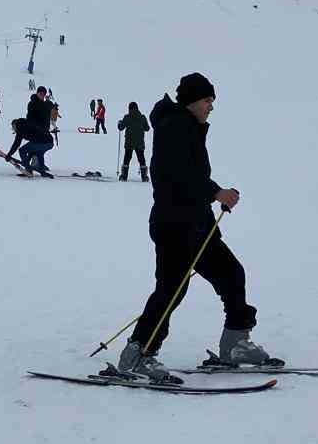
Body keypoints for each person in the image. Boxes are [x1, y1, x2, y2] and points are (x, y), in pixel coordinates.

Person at [117, 72, 278, 382]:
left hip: (197, 223)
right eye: (207, 101)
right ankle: (137, 354)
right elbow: (179, 175)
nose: (211, 107)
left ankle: (235, 343)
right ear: (192, 101)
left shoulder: (188, 127)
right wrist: (216, 192)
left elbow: (191, 175)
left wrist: (212, 195)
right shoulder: (175, 128)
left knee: (231, 273)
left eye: (212, 101)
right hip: (173, 224)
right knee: (172, 290)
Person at [8, 87, 55, 176]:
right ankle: (42, 170)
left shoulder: (21, 127)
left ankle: (29, 171)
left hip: (43, 136)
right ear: (37, 93)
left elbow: (16, 143)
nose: (42, 95)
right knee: (37, 152)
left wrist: (9, 155)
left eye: (43, 94)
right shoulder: (33, 105)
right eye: (40, 93)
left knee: (22, 150)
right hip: (48, 140)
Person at [118, 100, 149, 181]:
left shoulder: (127, 117)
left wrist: (119, 123)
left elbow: (121, 128)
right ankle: (144, 177)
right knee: (141, 159)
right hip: (139, 142)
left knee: (127, 158)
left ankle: (124, 177)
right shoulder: (142, 117)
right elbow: (147, 128)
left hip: (129, 142)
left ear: (129, 108)